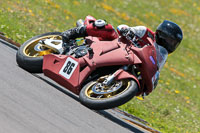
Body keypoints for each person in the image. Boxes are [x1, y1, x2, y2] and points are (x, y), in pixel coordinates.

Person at [61, 18, 183, 90]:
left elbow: (155, 69)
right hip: (115, 46)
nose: (169, 43)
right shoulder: (146, 32)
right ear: (161, 33)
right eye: (169, 39)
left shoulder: (160, 56)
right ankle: (70, 34)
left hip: (127, 60)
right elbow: (122, 27)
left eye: (173, 43)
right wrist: (127, 31)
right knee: (107, 28)